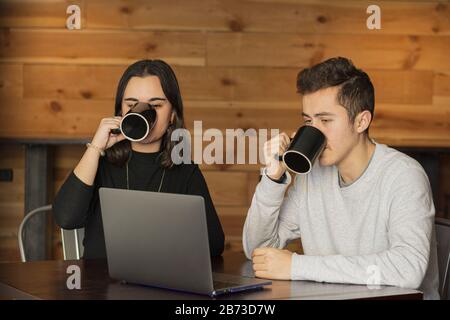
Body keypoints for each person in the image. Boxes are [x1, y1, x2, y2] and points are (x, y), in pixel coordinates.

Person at [243, 57, 439, 299]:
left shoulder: (404, 176)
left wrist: (298, 267)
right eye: (307, 121)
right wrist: (272, 179)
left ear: (361, 121)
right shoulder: (311, 176)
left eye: (325, 120)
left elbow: (407, 269)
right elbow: (258, 252)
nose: (314, 131)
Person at [54, 59, 225, 259]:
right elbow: (66, 218)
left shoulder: (184, 170)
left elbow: (214, 244)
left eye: (155, 105)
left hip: (160, 282)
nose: (143, 112)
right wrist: (95, 148)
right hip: (100, 284)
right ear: (121, 111)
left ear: (172, 115)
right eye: (132, 104)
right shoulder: (99, 165)